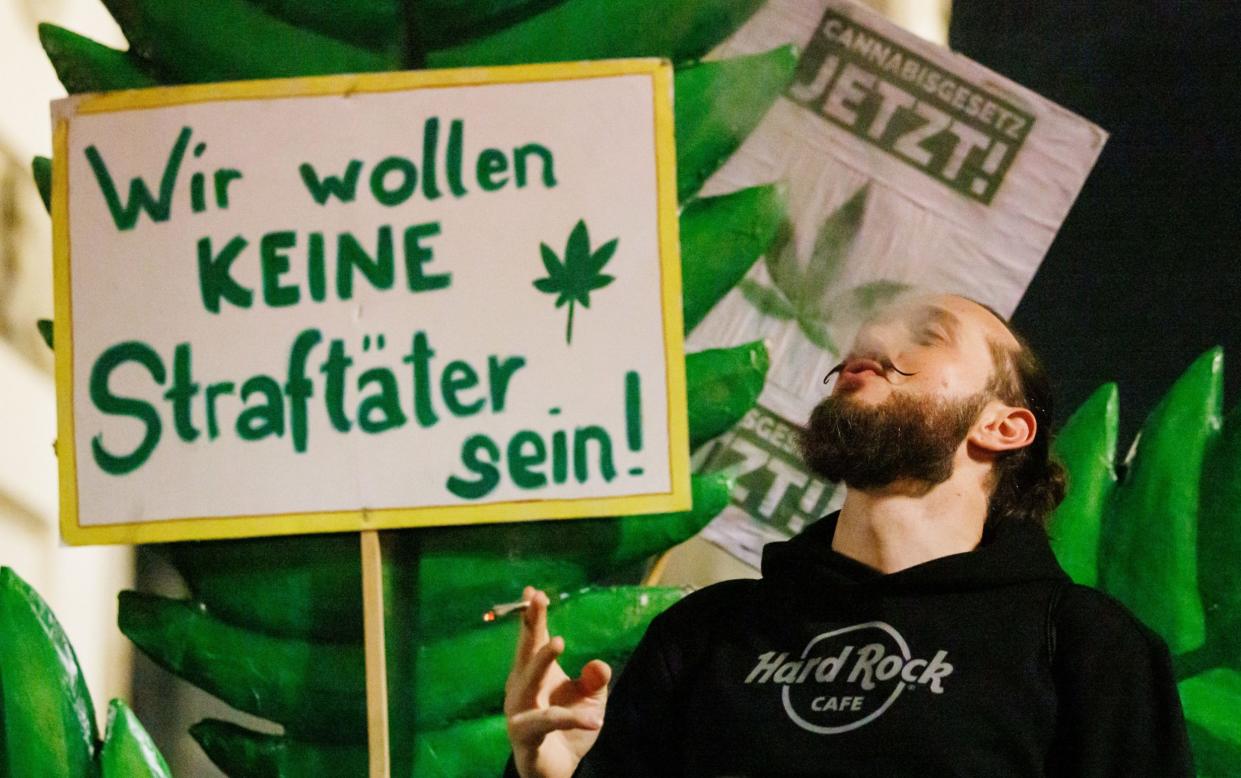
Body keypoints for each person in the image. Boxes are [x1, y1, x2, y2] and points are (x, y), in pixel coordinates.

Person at [501, 292, 1194, 777]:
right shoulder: (708, 631)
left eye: (924, 335)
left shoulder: (1087, 649)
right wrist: (552, 774)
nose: (870, 346)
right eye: (868, 336)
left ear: (1001, 426)